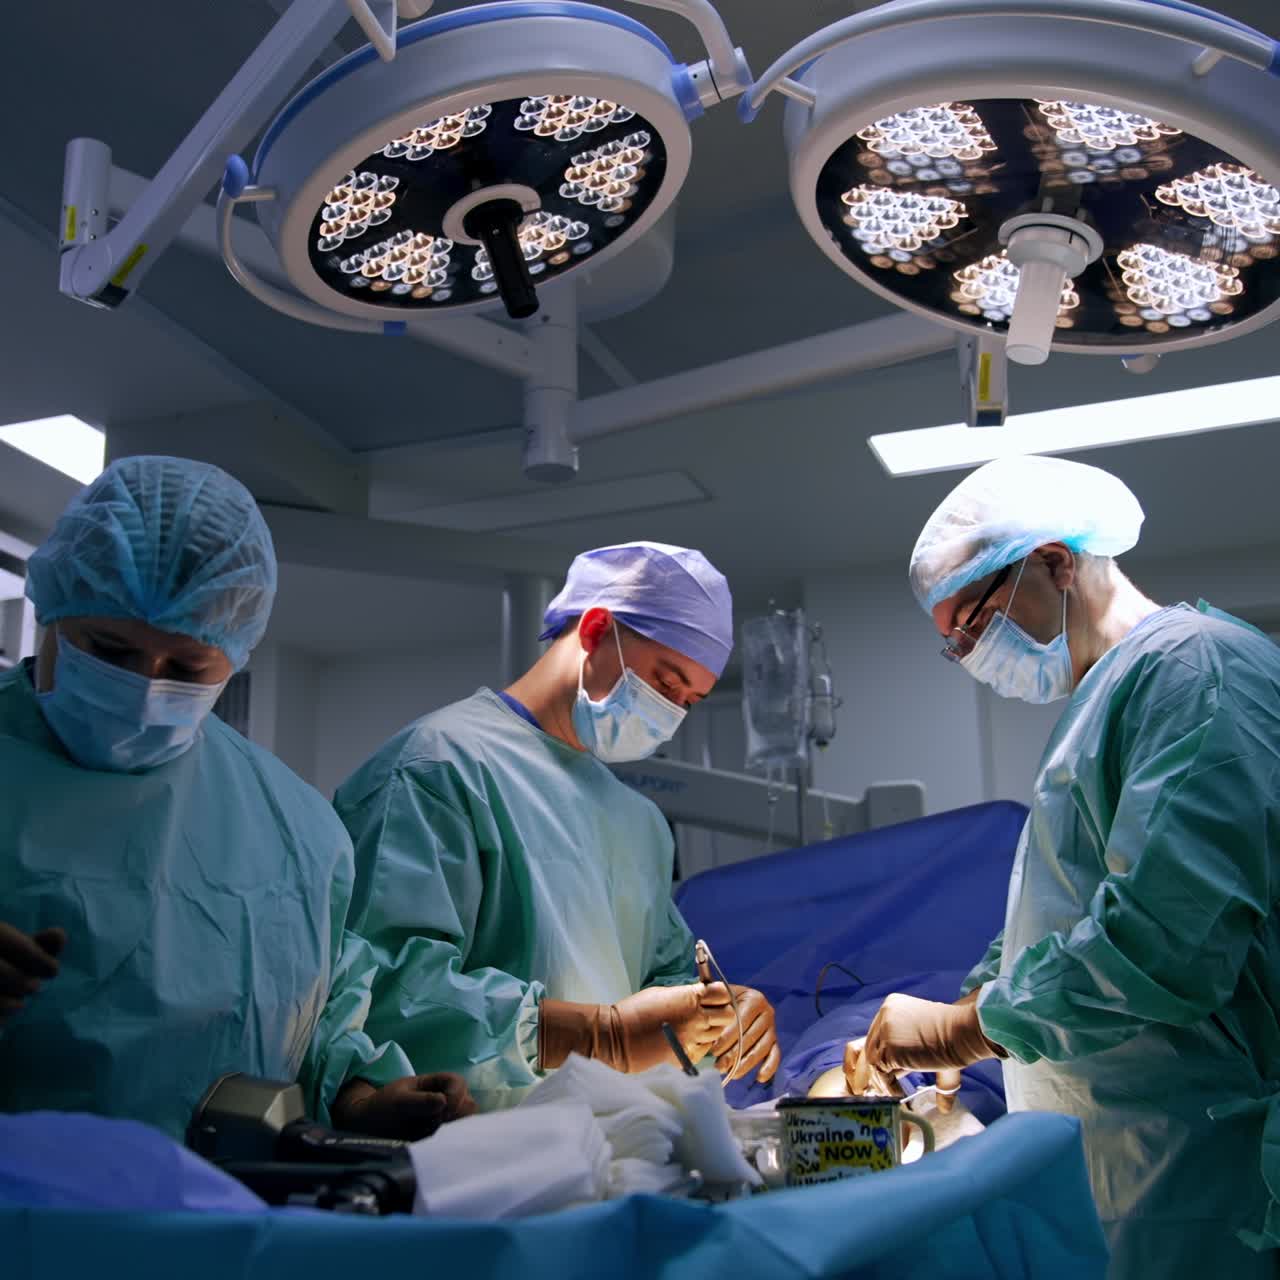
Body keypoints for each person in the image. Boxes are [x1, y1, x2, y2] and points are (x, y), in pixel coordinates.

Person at [843, 454, 1280, 1277]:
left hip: (1206, 1169)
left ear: (1054, 561)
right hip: (1129, 1161)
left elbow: (1162, 943)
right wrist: (972, 1006)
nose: (972, 655)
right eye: (954, 647)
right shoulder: (1102, 705)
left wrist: (964, 1027)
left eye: (972, 625)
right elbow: (1058, 925)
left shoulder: (1195, 671)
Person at [0, 456, 474, 1141]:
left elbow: (322, 1020)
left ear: (235, 653)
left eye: (186, 669)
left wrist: (363, 1099)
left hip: (213, 1216)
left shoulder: (299, 829)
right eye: (108, 651)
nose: (143, 687)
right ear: (51, 610)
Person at [337, 541, 780, 1110]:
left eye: (690, 702)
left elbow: (663, 977)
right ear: (595, 630)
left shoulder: (639, 821)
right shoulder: (437, 766)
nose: (672, 713)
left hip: (611, 1141)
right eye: (667, 684)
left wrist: (716, 1012)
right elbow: (389, 992)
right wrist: (598, 1036)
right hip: (469, 1148)